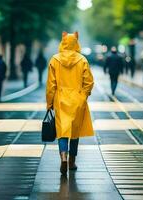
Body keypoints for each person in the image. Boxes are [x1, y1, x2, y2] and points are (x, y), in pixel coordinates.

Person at [46, 31, 94, 175]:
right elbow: (89, 82)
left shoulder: (54, 60)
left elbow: (51, 85)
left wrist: (50, 103)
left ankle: (63, 158)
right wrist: (83, 96)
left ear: (63, 42)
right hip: (77, 101)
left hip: (60, 100)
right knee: (74, 132)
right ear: (76, 42)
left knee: (62, 132)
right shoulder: (82, 60)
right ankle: (72, 162)